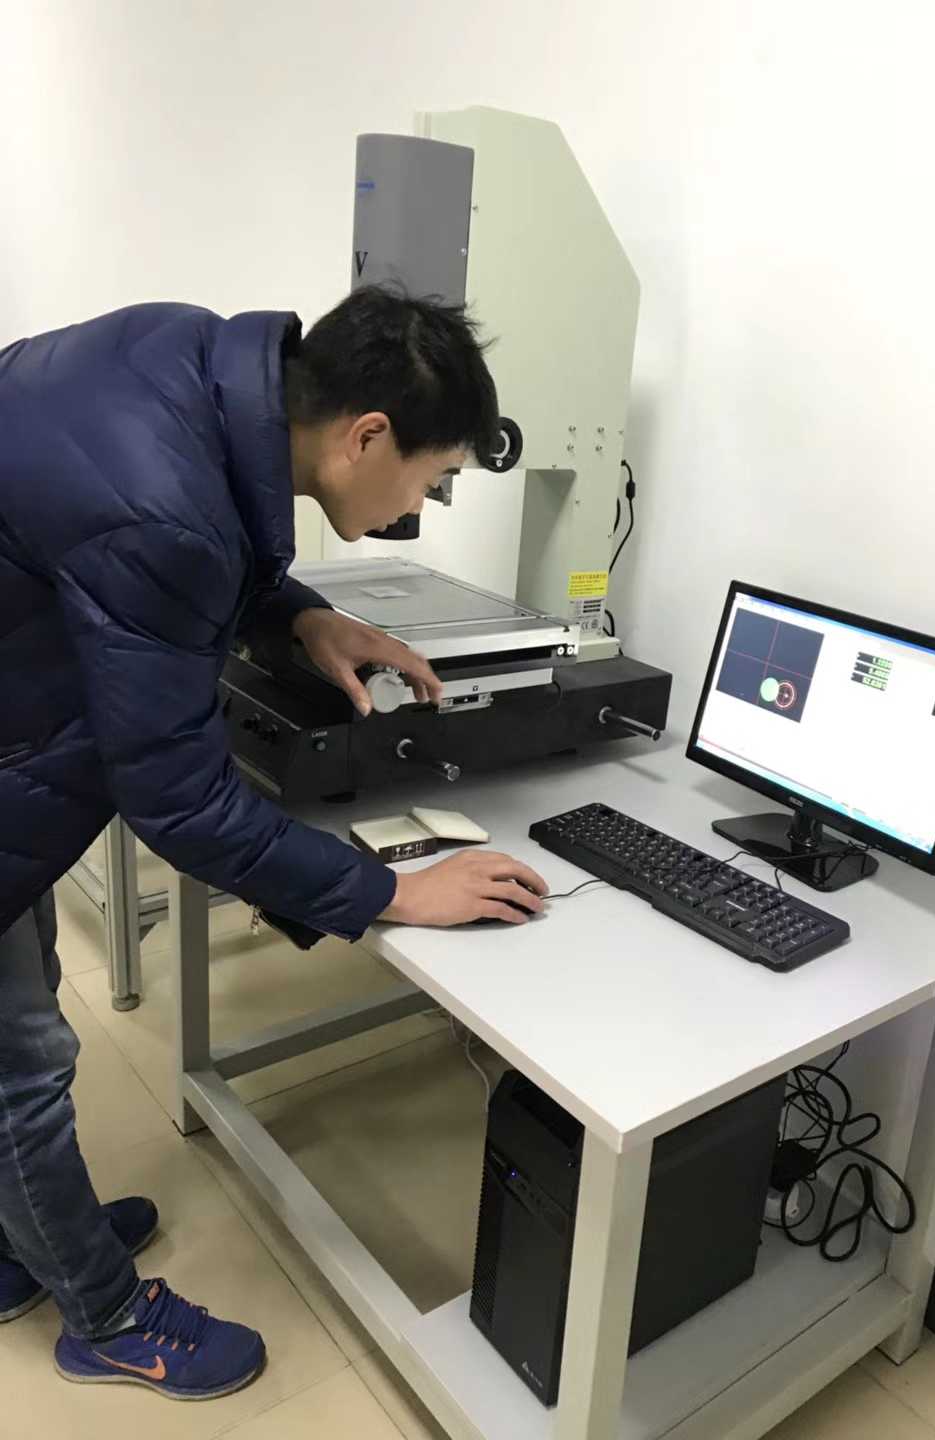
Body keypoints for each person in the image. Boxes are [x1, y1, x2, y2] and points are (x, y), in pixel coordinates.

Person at [0, 288, 548, 1400]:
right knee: (22, 1065)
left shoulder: (188, 352)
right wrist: (390, 893)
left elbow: (174, 511)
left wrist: (299, 614)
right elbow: (182, 807)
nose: (422, 505)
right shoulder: (168, 514)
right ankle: (106, 1317)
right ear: (367, 436)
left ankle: (28, 1239)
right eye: (432, 479)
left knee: (23, 1008)